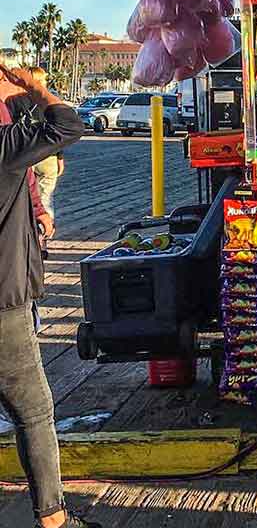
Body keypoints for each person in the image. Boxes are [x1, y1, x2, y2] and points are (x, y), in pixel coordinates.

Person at [0, 66, 93, 528]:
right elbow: (68, 124)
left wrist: (36, 210)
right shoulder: (3, 148)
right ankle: (53, 520)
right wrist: (37, 87)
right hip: (3, 302)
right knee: (33, 411)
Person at [28, 68, 64, 221]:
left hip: (26, 154)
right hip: (48, 155)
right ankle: (43, 234)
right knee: (45, 198)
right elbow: (58, 132)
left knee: (27, 198)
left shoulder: (17, 100)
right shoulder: (49, 102)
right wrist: (60, 157)